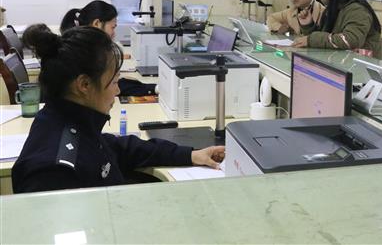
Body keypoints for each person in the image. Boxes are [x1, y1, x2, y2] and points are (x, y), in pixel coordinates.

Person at [12, 25, 224, 193]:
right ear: (84, 85)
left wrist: (190, 155)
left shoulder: (65, 119)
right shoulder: (54, 173)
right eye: (114, 81)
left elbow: (117, 147)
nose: (118, 90)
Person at [59, 0, 155, 97]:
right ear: (97, 24)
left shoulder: (80, 47)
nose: (114, 34)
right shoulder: (83, 54)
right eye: (113, 27)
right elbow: (106, 85)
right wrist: (153, 88)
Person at [292, 0, 382, 58]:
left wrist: (311, 40)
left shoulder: (357, 10)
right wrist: (308, 26)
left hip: (359, 65)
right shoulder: (333, 9)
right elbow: (328, 39)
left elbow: (351, 40)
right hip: (341, 62)